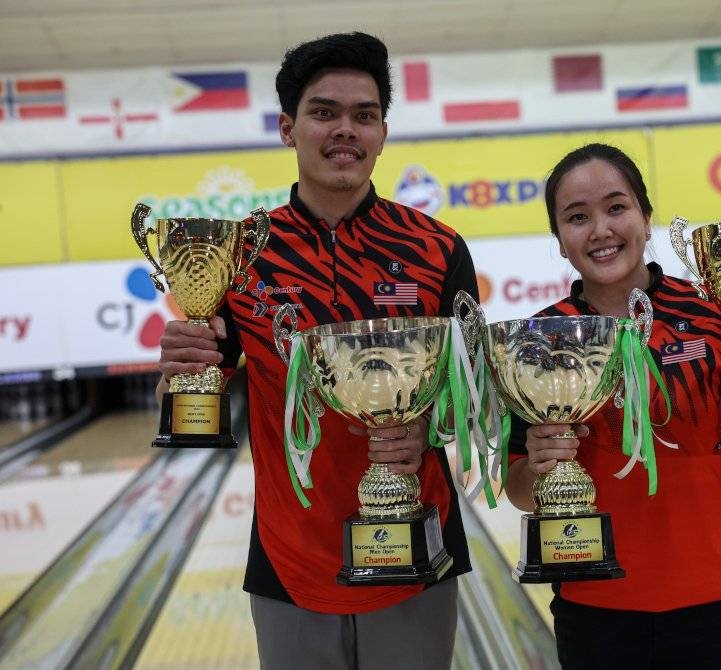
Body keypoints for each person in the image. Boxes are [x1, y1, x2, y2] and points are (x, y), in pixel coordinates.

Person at [155, 32, 477, 670]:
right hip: (288, 553)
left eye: (364, 116)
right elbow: (192, 407)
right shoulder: (241, 253)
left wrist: (429, 430)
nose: (345, 131)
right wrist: (180, 373)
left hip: (417, 538)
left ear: (383, 132)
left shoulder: (439, 248)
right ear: (287, 127)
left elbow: (475, 401)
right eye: (324, 112)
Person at [504, 143, 721, 669]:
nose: (600, 230)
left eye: (616, 208)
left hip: (716, 598)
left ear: (646, 217)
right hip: (595, 604)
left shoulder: (715, 317)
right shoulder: (539, 341)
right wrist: (542, 460)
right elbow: (521, 492)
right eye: (577, 217)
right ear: (559, 240)